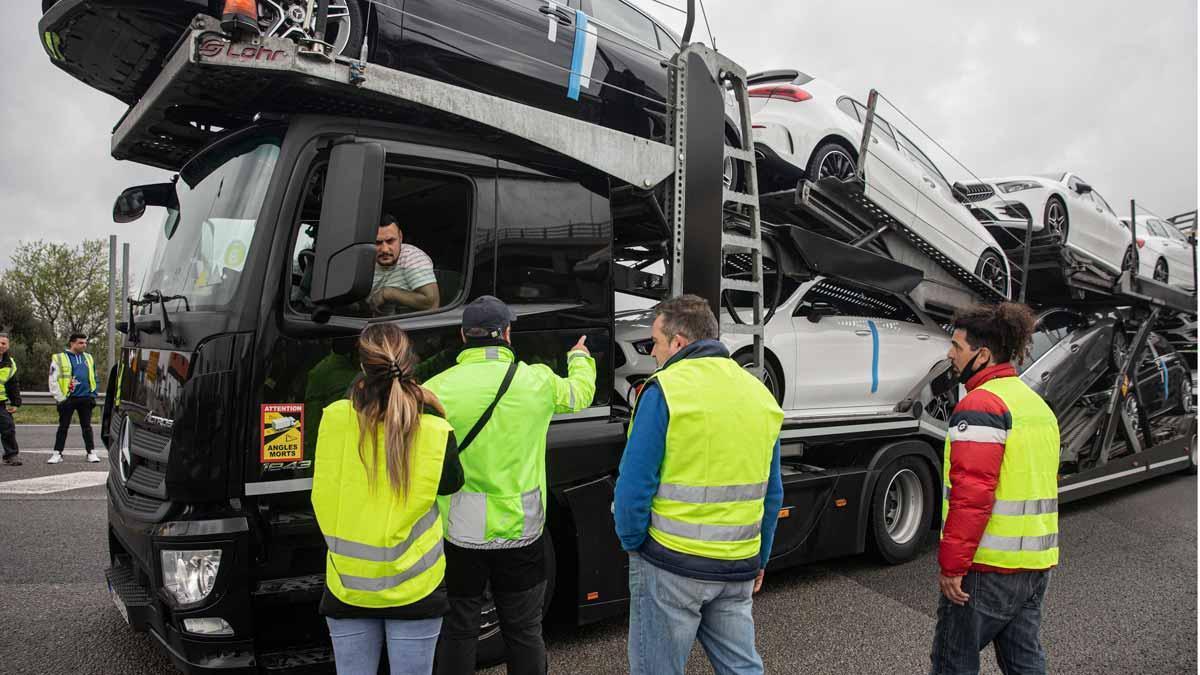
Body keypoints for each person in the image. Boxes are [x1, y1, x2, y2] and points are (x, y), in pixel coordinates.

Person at [614, 294, 784, 675]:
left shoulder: (664, 390)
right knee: (742, 668)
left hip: (672, 564)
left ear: (678, 343)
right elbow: (772, 495)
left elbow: (634, 484)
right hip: (737, 567)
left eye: (655, 343)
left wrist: (633, 543)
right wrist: (760, 558)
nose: (654, 353)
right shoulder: (760, 395)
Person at [426, 295, 596, 675]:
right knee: (523, 630)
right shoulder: (536, 381)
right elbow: (580, 394)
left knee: (459, 630)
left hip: (460, 534)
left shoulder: (437, 388)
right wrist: (580, 357)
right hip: (522, 531)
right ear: (506, 333)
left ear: (463, 336)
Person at [311, 323, 465, 675]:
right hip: (415, 586)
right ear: (410, 363)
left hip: (347, 584)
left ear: (362, 366)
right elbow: (451, 483)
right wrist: (436, 410)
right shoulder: (433, 427)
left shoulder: (334, 418)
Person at [931, 302, 1060, 675]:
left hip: (987, 570)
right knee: (1024, 663)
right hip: (1034, 566)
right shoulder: (1036, 406)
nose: (950, 354)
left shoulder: (981, 406)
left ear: (982, 354)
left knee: (953, 663)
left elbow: (972, 494)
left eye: (957, 346)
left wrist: (953, 566)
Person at [370, 215, 440, 315]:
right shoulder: (365, 259)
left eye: (390, 241)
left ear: (400, 237)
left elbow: (432, 304)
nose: (385, 249)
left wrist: (388, 293)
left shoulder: (412, 256)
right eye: (378, 243)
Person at [48, 333, 99, 464]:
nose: (84, 345)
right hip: (68, 398)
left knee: (87, 427)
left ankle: (91, 452)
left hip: (85, 398)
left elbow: (94, 376)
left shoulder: (88, 357)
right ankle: (57, 453)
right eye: (80, 343)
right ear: (72, 343)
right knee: (63, 427)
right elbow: (53, 380)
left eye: (85, 343)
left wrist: (93, 394)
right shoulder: (59, 358)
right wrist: (61, 398)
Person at [0, 333, 23, 466]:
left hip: (0, 403)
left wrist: (15, 403)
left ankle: (11, 455)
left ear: (8, 346)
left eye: (3, 343)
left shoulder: (10, 363)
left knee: (8, 426)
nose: (1, 346)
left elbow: (13, 384)